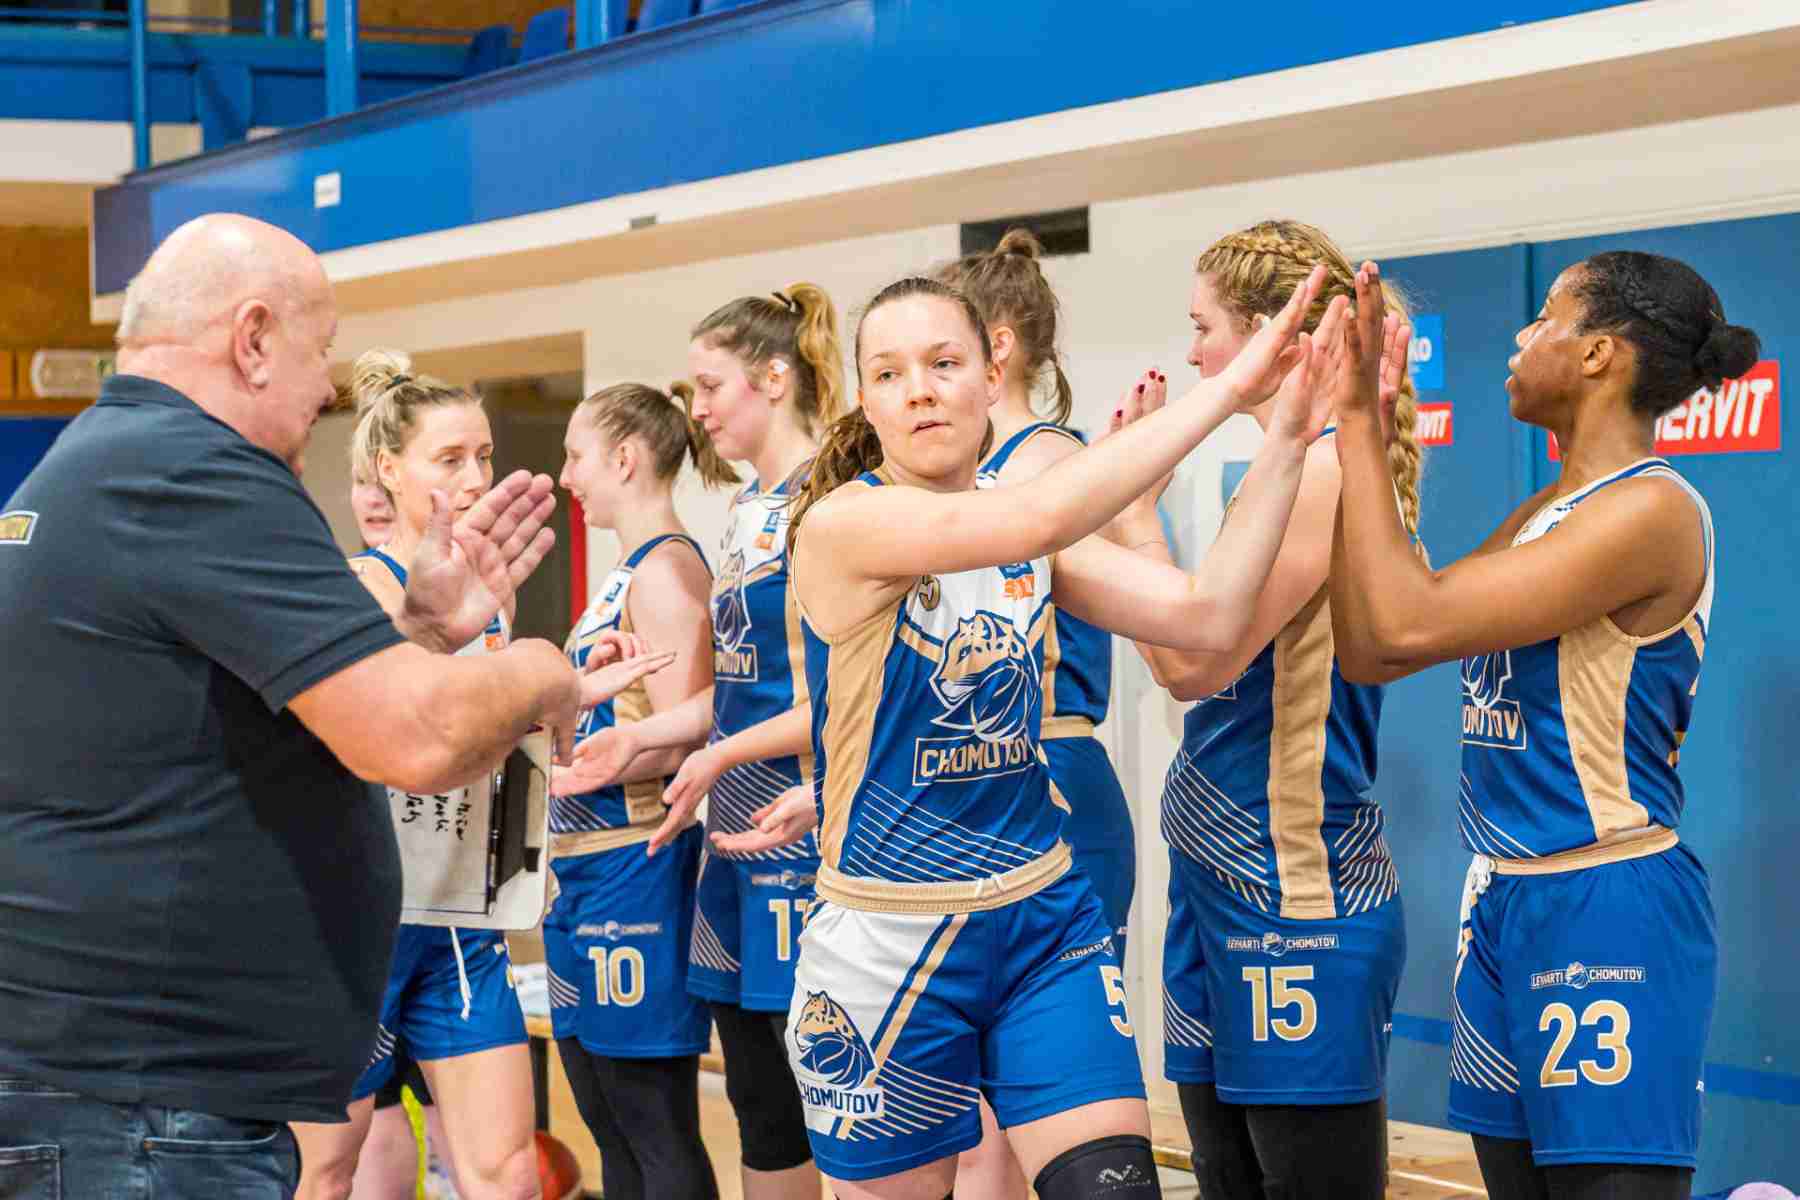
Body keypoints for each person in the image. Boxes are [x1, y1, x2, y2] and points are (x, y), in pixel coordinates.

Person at [0, 214, 580, 1200]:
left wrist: (424, 631)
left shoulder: (108, 460)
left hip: (125, 1090)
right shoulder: (197, 474)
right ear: (255, 338)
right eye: (323, 352)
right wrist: (540, 670)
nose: (327, 388)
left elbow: (252, 715)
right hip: (145, 1110)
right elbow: (420, 737)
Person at [774, 266, 1340, 1199]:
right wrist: (1231, 388)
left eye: (944, 363)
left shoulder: (1025, 534)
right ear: (866, 402)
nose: (919, 389)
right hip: (888, 936)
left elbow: (1205, 616)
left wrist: (1284, 441)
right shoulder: (848, 522)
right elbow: (1032, 515)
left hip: (1043, 920)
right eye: (889, 373)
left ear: (991, 376)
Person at [1328, 252, 1757, 1199]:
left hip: (1606, 897)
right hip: (1504, 898)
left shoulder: (1652, 510)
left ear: (1599, 353)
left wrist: (1359, 424)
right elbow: (1369, 650)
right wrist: (1358, 437)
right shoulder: (1545, 511)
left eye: (1546, 318)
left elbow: (1403, 622)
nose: (1521, 338)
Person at [1109, 220, 1423, 1199]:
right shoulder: (1282, 470)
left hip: (1296, 890)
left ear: (1274, 337)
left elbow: (1192, 663)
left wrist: (1133, 521)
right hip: (1219, 879)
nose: (1193, 352)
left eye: (1205, 326)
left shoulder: (1325, 470)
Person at [931, 227, 1138, 1199]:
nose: (927, 387)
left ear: (998, 351)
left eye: (943, 358)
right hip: (983, 781)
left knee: (1018, 1125)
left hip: (1050, 769)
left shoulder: (1042, 457)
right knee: (975, 1122)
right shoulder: (985, 467)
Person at [542, 381, 728, 1200]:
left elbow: (689, 733)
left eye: (575, 456)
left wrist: (587, 764)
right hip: (584, 865)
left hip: (636, 865)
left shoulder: (665, 569)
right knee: (605, 1116)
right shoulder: (626, 573)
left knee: (648, 1117)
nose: (565, 476)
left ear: (624, 457)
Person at [345, 431, 464, 1200]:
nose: (371, 500)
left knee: (486, 1153)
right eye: (360, 483)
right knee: (368, 1124)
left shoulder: (473, 582)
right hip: (373, 901)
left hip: (454, 902)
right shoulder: (357, 581)